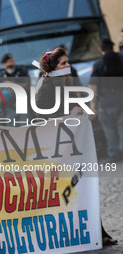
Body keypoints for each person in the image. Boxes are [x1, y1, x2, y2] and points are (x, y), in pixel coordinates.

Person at [36, 47, 117, 246]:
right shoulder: (46, 87)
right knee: (67, 191)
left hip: (74, 146)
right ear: (53, 68)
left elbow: (77, 105)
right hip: (58, 149)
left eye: (68, 62)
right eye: (63, 63)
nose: (68, 66)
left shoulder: (69, 83)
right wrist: (67, 115)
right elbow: (39, 118)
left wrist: (85, 113)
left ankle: (98, 232)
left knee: (86, 186)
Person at [89, 38, 123, 163]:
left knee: (109, 130)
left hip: (106, 102)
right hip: (121, 99)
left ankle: (114, 154)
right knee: (121, 127)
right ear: (113, 47)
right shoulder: (121, 59)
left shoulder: (98, 64)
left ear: (101, 49)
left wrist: (93, 104)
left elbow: (93, 86)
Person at [0, 53, 31, 126]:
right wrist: (3, 85)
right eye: (7, 62)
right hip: (9, 107)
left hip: (23, 105)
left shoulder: (22, 70)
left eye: (11, 61)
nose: (10, 64)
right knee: (13, 130)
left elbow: (27, 86)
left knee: (25, 126)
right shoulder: (2, 75)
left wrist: (12, 84)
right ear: (3, 64)